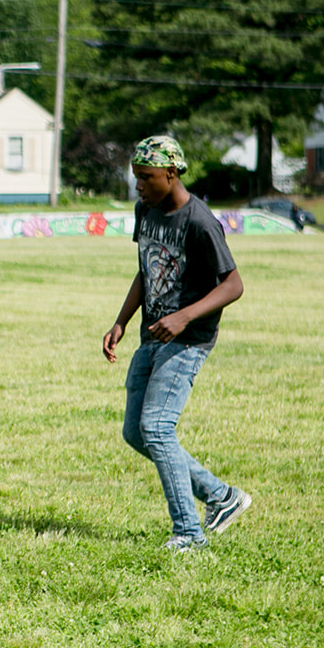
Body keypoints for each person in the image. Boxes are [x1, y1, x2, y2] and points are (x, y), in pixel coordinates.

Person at [102, 136, 251, 551]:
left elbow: (234, 285)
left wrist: (185, 315)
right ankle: (222, 497)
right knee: (136, 432)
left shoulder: (200, 222)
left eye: (146, 178)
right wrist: (120, 321)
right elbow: (144, 270)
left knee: (157, 427)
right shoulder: (145, 210)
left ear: (171, 174)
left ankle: (188, 532)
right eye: (136, 178)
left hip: (189, 340)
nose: (139, 186)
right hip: (152, 332)